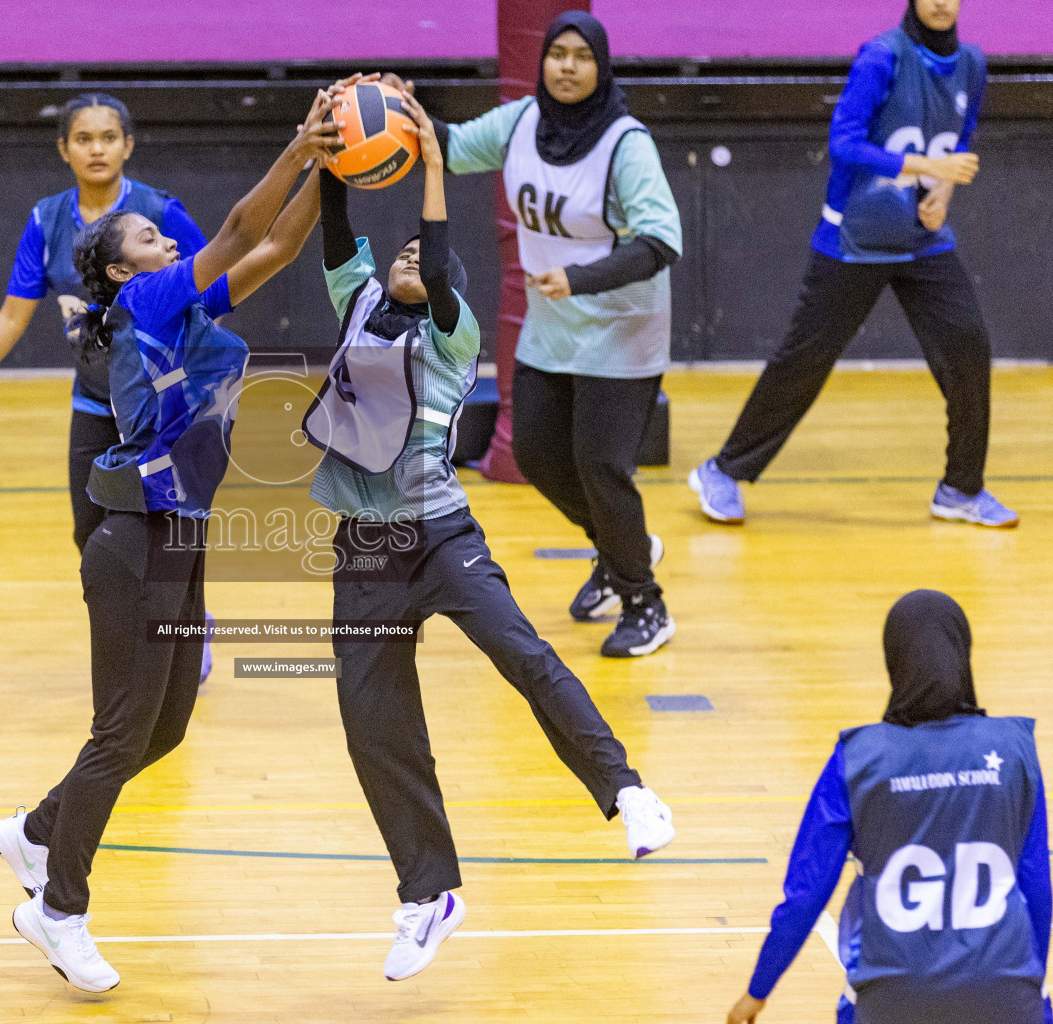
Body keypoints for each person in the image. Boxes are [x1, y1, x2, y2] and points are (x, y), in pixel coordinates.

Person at [303, 83, 675, 983]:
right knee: (372, 721)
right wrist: (325, 157)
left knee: (525, 656)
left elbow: (435, 248)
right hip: (366, 550)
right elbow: (337, 227)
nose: (404, 260)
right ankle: (429, 895)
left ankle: (627, 792)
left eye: (420, 259)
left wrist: (432, 166)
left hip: (440, 537)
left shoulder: (452, 330)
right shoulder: (356, 302)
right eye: (398, 255)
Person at [0, 90, 337, 993]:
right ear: (115, 271)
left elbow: (279, 246)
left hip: (182, 539)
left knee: (169, 726)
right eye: (145, 237)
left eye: (158, 236)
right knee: (119, 733)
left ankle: (31, 831)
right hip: (132, 546)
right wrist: (300, 146)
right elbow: (232, 226)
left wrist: (336, 173)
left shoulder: (185, 315)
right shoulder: (144, 303)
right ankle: (57, 908)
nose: (163, 241)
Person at [690, 0, 1016, 529]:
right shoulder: (880, 57)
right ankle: (722, 471)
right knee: (806, 361)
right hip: (854, 238)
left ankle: (961, 488)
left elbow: (961, 135)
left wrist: (944, 192)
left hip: (922, 240)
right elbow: (844, 143)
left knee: (968, 349)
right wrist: (924, 166)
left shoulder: (973, 64)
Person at [430, 11, 684, 658]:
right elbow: (452, 147)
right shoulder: (519, 123)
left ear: (602, 68)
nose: (567, 67)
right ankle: (616, 547)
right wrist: (387, 109)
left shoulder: (626, 143)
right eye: (557, 55)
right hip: (553, 324)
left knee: (601, 464)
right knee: (540, 454)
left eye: (582, 57)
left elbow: (661, 240)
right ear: (541, 62)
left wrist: (583, 277)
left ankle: (644, 602)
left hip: (623, 328)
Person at [0, 93, 220, 680]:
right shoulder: (48, 219)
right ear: (64, 149)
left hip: (164, 409)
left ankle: (184, 628)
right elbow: (14, 313)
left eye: (109, 137)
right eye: (84, 138)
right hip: (95, 404)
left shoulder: (159, 213)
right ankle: (137, 629)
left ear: (128, 145)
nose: (97, 148)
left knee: (170, 526)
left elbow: (215, 286)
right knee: (92, 534)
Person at [726, 590, 1050, 1024]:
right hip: (1010, 997)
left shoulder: (858, 758)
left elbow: (806, 893)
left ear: (893, 660)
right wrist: (1028, 982)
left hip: (893, 999)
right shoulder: (1013, 749)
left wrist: (757, 991)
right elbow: (1037, 885)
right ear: (962, 652)